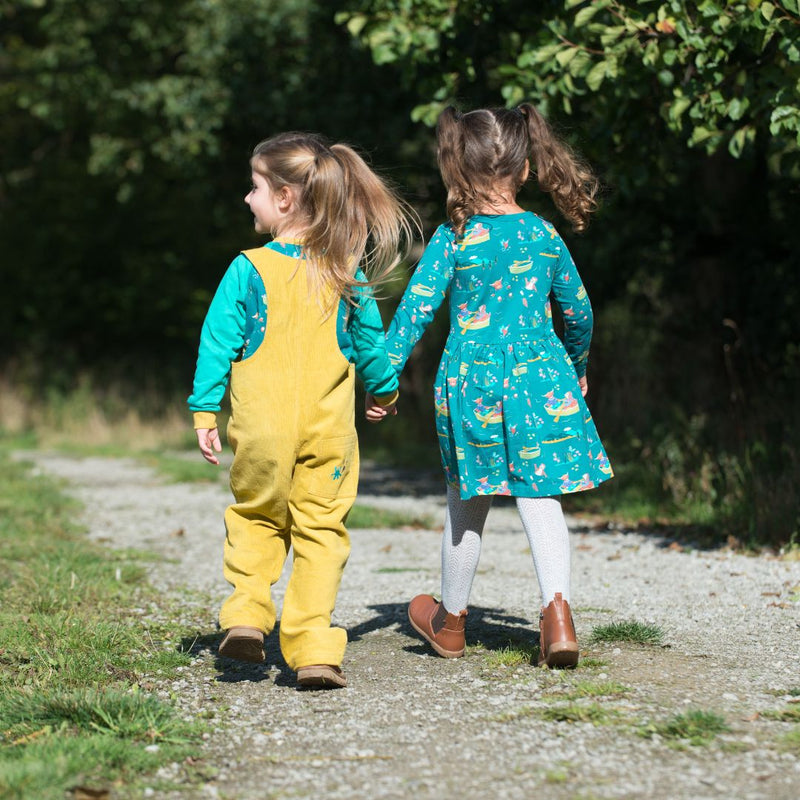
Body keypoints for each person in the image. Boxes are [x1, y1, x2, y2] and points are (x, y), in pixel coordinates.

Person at [368, 105, 613, 668]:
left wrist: (382, 385)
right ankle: (557, 618)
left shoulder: (453, 239)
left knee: (467, 497)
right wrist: (576, 365)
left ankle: (450, 623)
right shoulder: (544, 235)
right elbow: (579, 312)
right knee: (540, 493)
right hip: (540, 375)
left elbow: (412, 315)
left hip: (472, 383)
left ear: (457, 168)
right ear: (526, 170)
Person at [188, 131, 415, 688]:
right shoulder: (345, 271)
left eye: (255, 187)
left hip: (261, 432)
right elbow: (372, 345)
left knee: (257, 518)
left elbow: (216, 343)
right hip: (329, 434)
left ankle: (246, 614)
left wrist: (204, 412)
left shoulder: (246, 269)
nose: (248, 198)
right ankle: (314, 647)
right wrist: (383, 393)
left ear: (286, 197)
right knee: (321, 532)